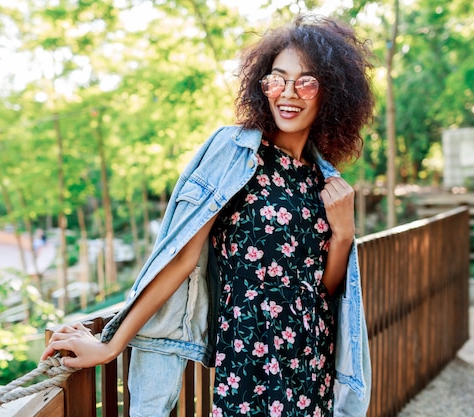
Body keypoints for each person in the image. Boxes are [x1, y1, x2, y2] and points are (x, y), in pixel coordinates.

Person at [42, 14, 374, 417]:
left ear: (331, 93)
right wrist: (111, 344)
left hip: (313, 359)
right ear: (261, 86)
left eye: (306, 81)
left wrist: (342, 233)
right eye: (276, 79)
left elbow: (323, 287)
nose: (288, 93)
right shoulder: (234, 154)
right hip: (250, 359)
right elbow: (180, 257)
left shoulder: (321, 181)